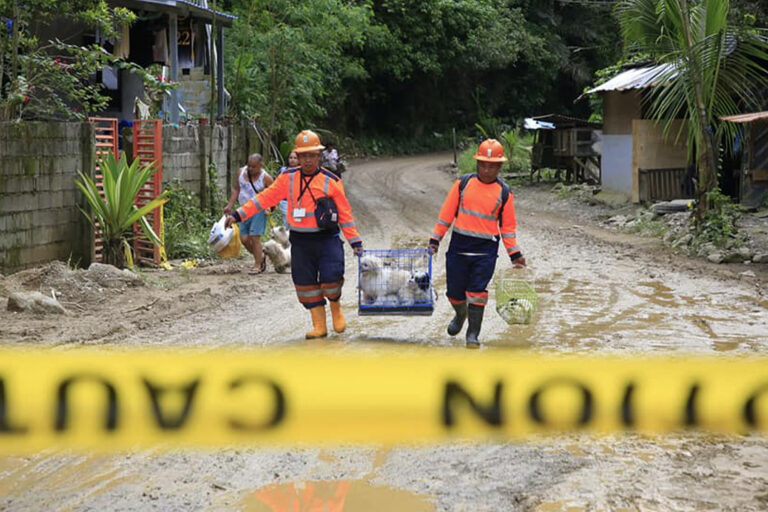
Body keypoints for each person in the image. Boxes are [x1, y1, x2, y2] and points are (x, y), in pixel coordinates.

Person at [226, 130, 364, 339]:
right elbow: (263, 199)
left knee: (331, 278)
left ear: (319, 156)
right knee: (305, 283)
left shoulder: (331, 180)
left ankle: (335, 308)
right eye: (303, 155)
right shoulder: (286, 179)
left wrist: (355, 242)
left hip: (327, 240)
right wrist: (238, 214)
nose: (308, 159)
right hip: (300, 241)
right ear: (297, 157)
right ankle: (319, 325)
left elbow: (345, 214)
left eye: (312, 155)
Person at [428, 139, 527, 348]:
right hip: (458, 248)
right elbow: (445, 216)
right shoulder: (462, 185)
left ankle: (473, 334)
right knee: (454, 293)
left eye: (492, 166)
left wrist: (515, 253)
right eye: (483, 164)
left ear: (499, 167)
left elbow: (508, 228)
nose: (487, 169)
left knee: (477, 292)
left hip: (485, 251)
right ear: (477, 164)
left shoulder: (505, 193)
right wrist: (435, 239)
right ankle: (460, 314)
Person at [224, 153, 273, 274]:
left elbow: (274, 195)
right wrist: (230, 205)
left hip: (258, 211)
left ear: (260, 165)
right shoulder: (241, 173)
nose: (250, 169)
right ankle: (260, 256)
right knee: (244, 239)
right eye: (249, 166)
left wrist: (270, 208)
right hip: (243, 211)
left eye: (254, 167)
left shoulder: (266, 178)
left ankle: (257, 265)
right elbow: (236, 189)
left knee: (255, 238)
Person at [277, 151, 299, 227]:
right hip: (285, 201)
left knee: (297, 223)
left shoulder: (302, 171)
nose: (292, 160)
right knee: (286, 223)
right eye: (291, 158)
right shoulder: (283, 171)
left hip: (298, 202)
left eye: (295, 158)